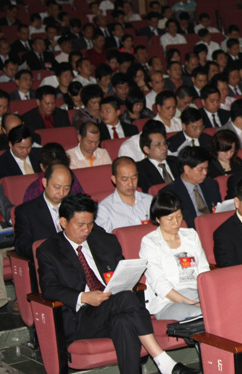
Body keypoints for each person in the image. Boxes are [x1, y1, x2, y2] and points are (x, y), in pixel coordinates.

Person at [36, 193, 198, 374]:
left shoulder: (104, 241)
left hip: (114, 307)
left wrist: (128, 282)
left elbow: (124, 270)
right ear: (64, 222)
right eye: (80, 224)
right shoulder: (49, 250)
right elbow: (49, 288)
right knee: (126, 299)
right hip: (81, 318)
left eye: (90, 223)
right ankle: (163, 361)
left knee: (124, 321)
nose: (86, 229)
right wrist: (83, 297)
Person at [139, 191, 209, 320]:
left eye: (179, 216)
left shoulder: (191, 235)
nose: (176, 222)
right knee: (200, 314)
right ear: (157, 219)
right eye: (170, 219)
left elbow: (204, 271)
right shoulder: (150, 242)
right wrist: (193, 303)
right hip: (168, 301)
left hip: (197, 293)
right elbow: (159, 284)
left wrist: (207, 298)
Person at [14, 164, 73, 260]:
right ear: (45, 182)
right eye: (57, 187)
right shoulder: (26, 211)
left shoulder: (76, 206)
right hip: (48, 262)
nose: (62, 193)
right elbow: (23, 247)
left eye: (66, 188)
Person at [159, 146, 221, 228]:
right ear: (187, 169)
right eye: (201, 169)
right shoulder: (170, 193)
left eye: (206, 168)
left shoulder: (211, 185)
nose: (205, 172)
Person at [96, 157, 154, 234]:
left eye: (134, 178)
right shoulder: (104, 209)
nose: (130, 184)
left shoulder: (150, 201)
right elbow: (105, 239)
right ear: (114, 179)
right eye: (125, 179)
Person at [136, 122, 181, 192]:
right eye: (158, 145)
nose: (164, 147)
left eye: (165, 143)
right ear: (146, 149)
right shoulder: (140, 170)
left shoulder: (177, 161)